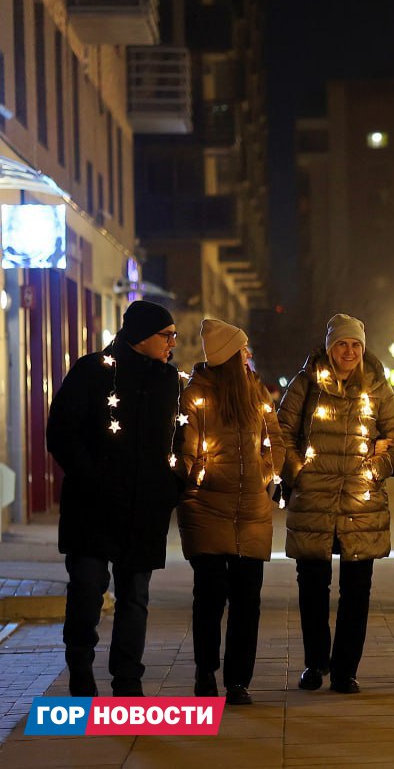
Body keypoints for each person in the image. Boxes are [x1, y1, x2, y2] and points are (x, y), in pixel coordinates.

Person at [47, 300, 183, 698]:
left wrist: (171, 486)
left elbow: (182, 435)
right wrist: (92, 476)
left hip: (144, 509)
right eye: (166, 335)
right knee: (88, 587)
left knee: (135, 596)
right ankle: (80, 666)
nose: (173, 343)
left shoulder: (168, 379)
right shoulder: (92, 372)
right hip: (93, 506)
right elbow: (62, 433)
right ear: (141, 335)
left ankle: (128, 678)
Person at [278, 313, 394, 694]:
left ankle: (345, 669)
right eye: (342, 344)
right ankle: (315, 663)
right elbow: (281, 431)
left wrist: (376, 468)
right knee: (312, 587)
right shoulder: (306, 383)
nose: (349, 352)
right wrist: (298, 470)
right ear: (330, 347)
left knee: (357, 589)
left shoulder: (377, 387)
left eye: (355, 345)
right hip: (314, 500)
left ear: (363, 348)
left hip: (360, 503)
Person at [176, 319, 285, 705]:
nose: (249, 355)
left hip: (251, 509)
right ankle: (206, 671)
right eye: (243, 350)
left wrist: (267, 477)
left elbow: (275, 440)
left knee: (247, 599)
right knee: (209, 595)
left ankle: (238, 680)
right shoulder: (195, 396)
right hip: (206, 508)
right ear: (229, 356)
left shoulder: (255, 392)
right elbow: (186, 450)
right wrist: (196, 482)